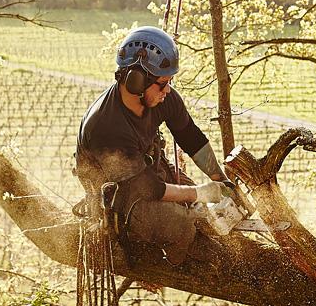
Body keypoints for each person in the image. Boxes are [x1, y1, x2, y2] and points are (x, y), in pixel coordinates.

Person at [74, 26, 230, 266]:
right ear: (136, 81)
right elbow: (149, 189)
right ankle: (168, 266)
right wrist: (199, 192)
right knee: (180, 225)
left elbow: (190, 136)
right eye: (162, 83)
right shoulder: (106, 126)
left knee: (200, 208)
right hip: (118, 197)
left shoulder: (162, 98)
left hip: (145, 172)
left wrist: (219, 179)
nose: (168, 90)